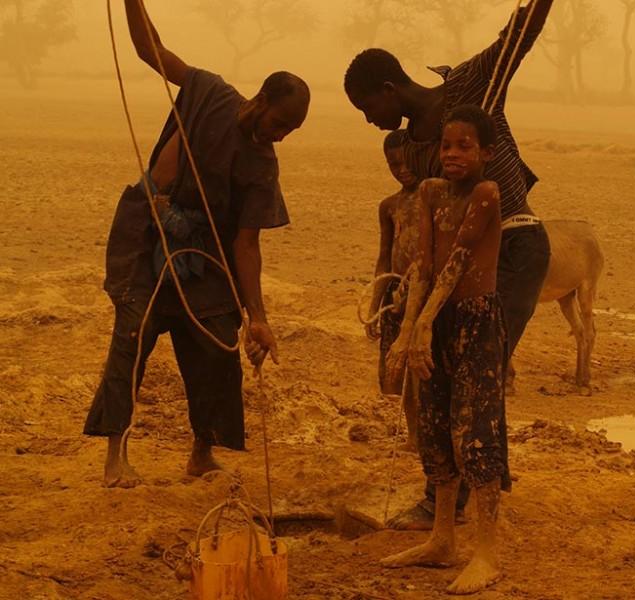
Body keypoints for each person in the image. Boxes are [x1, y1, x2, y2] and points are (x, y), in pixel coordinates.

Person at [344, 0, 553, 529]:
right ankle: (464, 486)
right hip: (455, 266)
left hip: (511, 246)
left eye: (368, 110)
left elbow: (518, 37)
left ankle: (461, 501)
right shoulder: (413, 151)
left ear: (388, 89)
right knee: (443, 374)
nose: (371, 123)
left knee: (474, 374)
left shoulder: (465, 89)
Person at [83, 0, 309, 488]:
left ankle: (201, 455)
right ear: (262, 100)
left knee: (216, 349)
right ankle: (115, 458)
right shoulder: (208, 90)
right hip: (149, 234)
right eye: (279, 125)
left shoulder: (263, 165)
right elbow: (151, 50)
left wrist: (258, 317)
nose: (281, 137)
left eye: (290, 131)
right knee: (131, 340)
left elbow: (247, 244)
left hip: (207, 256)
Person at [381, 105, 508, 595]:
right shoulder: (430, 193)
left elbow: (458, 262)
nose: (453, 155)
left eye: (465, 146)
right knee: (433, 425)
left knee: (475, 432)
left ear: (485, 153)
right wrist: (410, 327)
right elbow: (425, 265)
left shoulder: (486, 194)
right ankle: (442, 540)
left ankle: (486, 552)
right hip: (434, 318)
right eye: (447, 146)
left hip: (475, 322)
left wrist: (422, 326)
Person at [365, 130, 420, 451]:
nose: (400, 169)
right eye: (392, 164)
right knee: (396, 372)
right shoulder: (389, 206)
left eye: (405, 161)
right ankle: (409, 433)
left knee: (421, 368)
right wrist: (375, 304)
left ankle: (421, 437)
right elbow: (384, 256)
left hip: (423, 293)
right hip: (395, 294)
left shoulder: (434, 197)